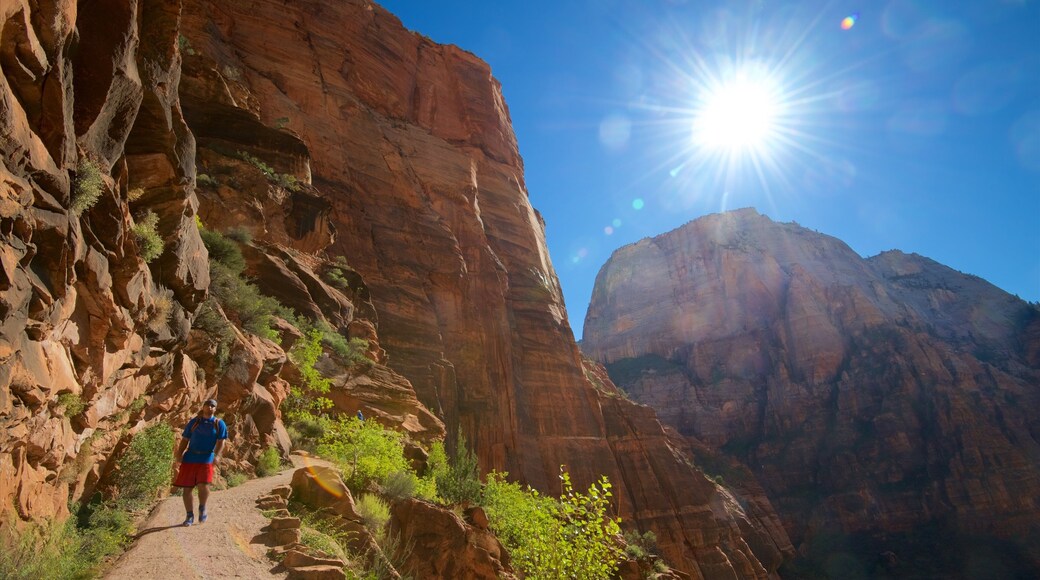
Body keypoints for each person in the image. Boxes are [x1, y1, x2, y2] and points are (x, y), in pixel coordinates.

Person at [173, 399, 228, 526]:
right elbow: (185, 439)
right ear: (203, 407)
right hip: (190, 457)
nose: (210, 407)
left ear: (215, 409)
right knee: (187, 488)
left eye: (213, 406)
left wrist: (217, 456)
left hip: (207, 457)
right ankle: (189, 515)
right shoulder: (194, 422)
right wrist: (179, 454)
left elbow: (221, 441)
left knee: (204, 484)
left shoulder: (219, 424)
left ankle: (202, 508)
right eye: (208, 405)